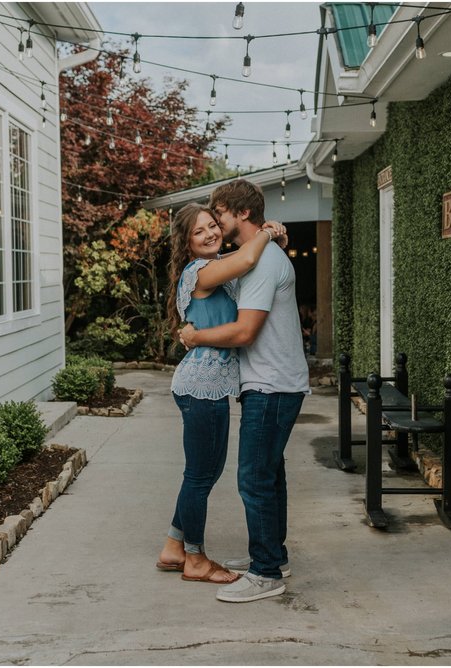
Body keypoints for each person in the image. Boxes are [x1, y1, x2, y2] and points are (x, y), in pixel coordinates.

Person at [179, 179, 310, 603]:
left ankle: (266, 573)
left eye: (219, 213)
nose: (216, 223)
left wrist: (196, 338)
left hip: (270, 383)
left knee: (254, 479)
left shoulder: (261, 262)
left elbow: (245, 330)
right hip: (274, 380)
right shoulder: (256, 257)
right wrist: (273, 231)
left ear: (242, 214)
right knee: (269, 475)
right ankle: (274, 557)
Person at [156, 203, 287, 584]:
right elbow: (246, 258)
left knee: (203, 473)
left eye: (213, 225)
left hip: (206, 384)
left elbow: (246, 258)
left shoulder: (212, 267)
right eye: (200, 231)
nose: (211, 233)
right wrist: (267, 230)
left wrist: (275, 239)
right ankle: (194, 559)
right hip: (202, 385)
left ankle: (173, 546)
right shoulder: (201, 271)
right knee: (200, 476)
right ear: (187, 242)